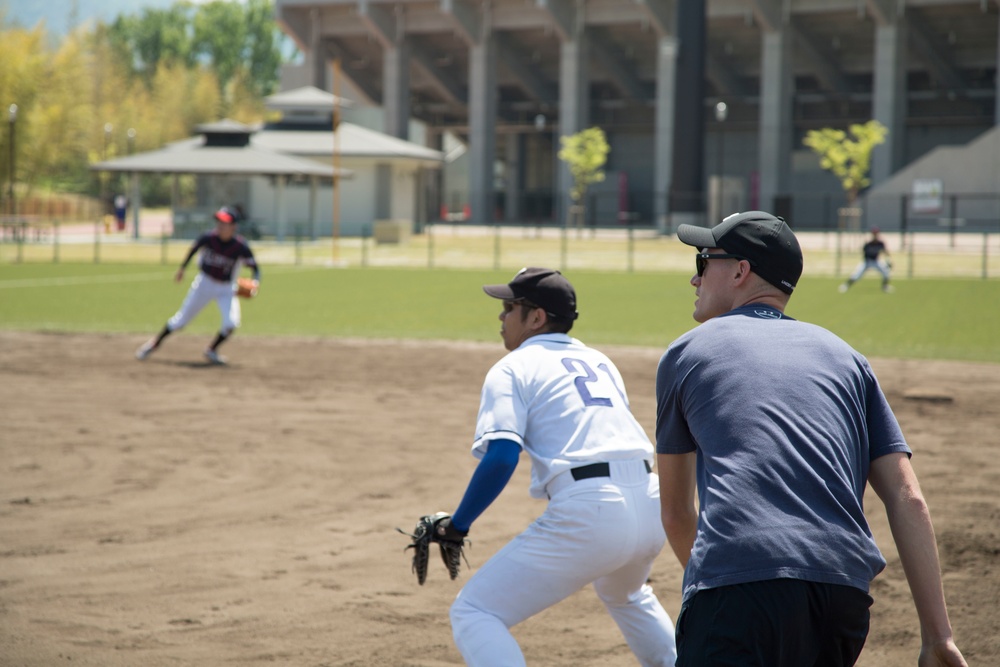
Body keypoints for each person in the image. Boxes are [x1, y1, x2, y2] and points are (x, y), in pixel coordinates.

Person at [655, 211, 966, 667]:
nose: (694, 278)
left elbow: (678, 513)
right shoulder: (848, 358)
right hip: (841, 592)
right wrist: (938, 637)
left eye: (704, 261)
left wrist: (719, 584)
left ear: (741, 271)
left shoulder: (687, 351)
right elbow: (908, 498)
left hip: (737, 586)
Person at [443, 267, 677, 666]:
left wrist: (458, 524)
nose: (500, 317)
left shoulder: (513, 367)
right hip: (651, 503)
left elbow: (501, 456)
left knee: (475, 612)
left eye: (508, 307)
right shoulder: (599, 360)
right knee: (627, 593)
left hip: (592, 510)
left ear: (536, 317)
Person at [135, 206, 259, 365]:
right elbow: (193, 250)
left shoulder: (240, 246)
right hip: (204, 283)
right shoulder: (209, 238)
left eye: (225, 223)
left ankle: (211, 350)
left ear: (234, 227)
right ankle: (153, 344)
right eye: (219, 221)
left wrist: (256, 282)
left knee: (231, 324)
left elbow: (255, 268)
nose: (220, 225)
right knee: (180, 321)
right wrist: (182, 268)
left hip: (226, 288)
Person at [840, 227, 893, 292]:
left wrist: (888, 260)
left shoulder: (880, 243)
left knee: (885, 272)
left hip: (876, 261)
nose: (875, 234)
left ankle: (885, 287)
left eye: (876, 233)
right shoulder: (868, 243)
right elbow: (864, 252)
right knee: (857, 275)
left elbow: (885, 252)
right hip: (867, 262)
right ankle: (846, 285)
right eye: (874, 233)